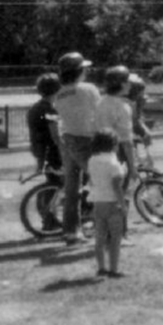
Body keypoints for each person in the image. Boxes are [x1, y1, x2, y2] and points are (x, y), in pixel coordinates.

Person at [51, 51, 101, 243]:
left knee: (72, 190)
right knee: (102, 182)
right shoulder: (89, 89)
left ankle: (71, 231)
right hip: (86, 140)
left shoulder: (59, 94)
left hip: (68, 139)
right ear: (79, 71)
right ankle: (101, 226)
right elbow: (99, 111)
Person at [86, 128, 127, 279]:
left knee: (100, 238)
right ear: (113, 145)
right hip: (112, 203)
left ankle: (101, 267)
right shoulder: (114, 163)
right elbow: (117, 187)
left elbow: (91, 180)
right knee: (115, 239)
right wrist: (123, 205)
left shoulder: (92, 160)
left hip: (98, 202)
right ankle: (114, 270)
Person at [27, 72, 64, 231]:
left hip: (40, 150)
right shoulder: (50, 110)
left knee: (52, 184)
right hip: (53, 152)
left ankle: (48, 217)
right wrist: (65, 151)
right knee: (60, 184)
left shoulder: (35, 108)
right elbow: (55, 135)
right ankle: (49, 218)